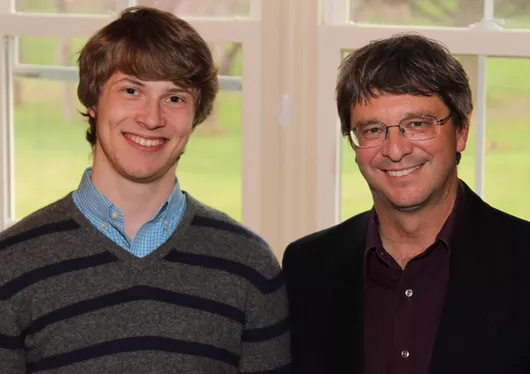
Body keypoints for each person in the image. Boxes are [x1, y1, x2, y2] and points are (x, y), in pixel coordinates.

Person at [0, 6, 289, 373]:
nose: (152, 118)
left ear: (195, 115)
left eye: (175, 98)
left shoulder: (249, 266)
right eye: (132, 90)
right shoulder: (10, 264)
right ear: (92, 102)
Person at [282, 33, 530, 374]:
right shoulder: (307, 267)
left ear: (461, 131)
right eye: (371, 130)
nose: (395, 150)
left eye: (417, 124)